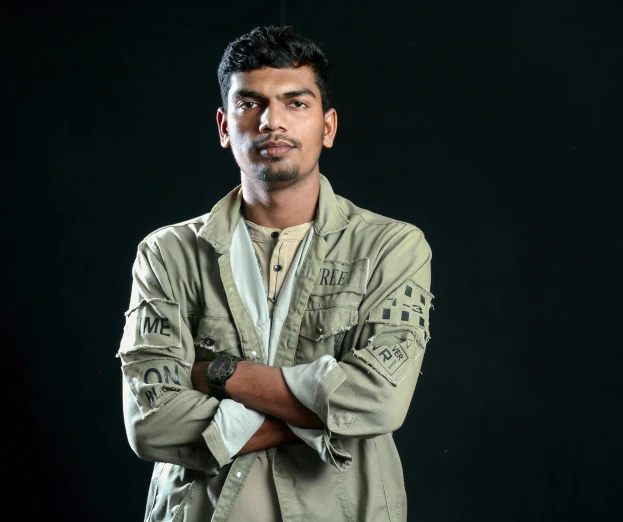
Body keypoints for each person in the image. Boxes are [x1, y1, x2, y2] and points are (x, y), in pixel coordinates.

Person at [117, 25, 434, 522]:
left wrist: (220, 375)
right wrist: (327, 412)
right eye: (250, 103)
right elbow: (151, 425)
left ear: (327, 127)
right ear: (224, 127)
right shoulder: (168, 253)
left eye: (296, 103)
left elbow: (380, 402)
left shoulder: (390, 246)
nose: (271, 122)